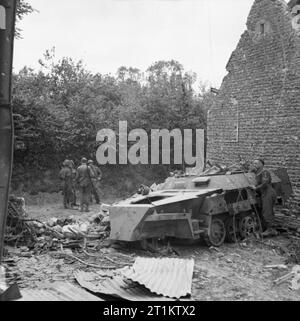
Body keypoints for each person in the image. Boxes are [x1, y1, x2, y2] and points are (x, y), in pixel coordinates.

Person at [250, 158, 277, 236]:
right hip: (263, 194)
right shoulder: (257, 173)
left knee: (267, 211)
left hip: (268, 193)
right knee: (263, 211)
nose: (254, 165)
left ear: (261, 164)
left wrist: (255, 188)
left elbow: (265, 183)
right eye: (253, 163)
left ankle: (271, 229)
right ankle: (266, 228)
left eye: (256, 163)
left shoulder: (265, 172)